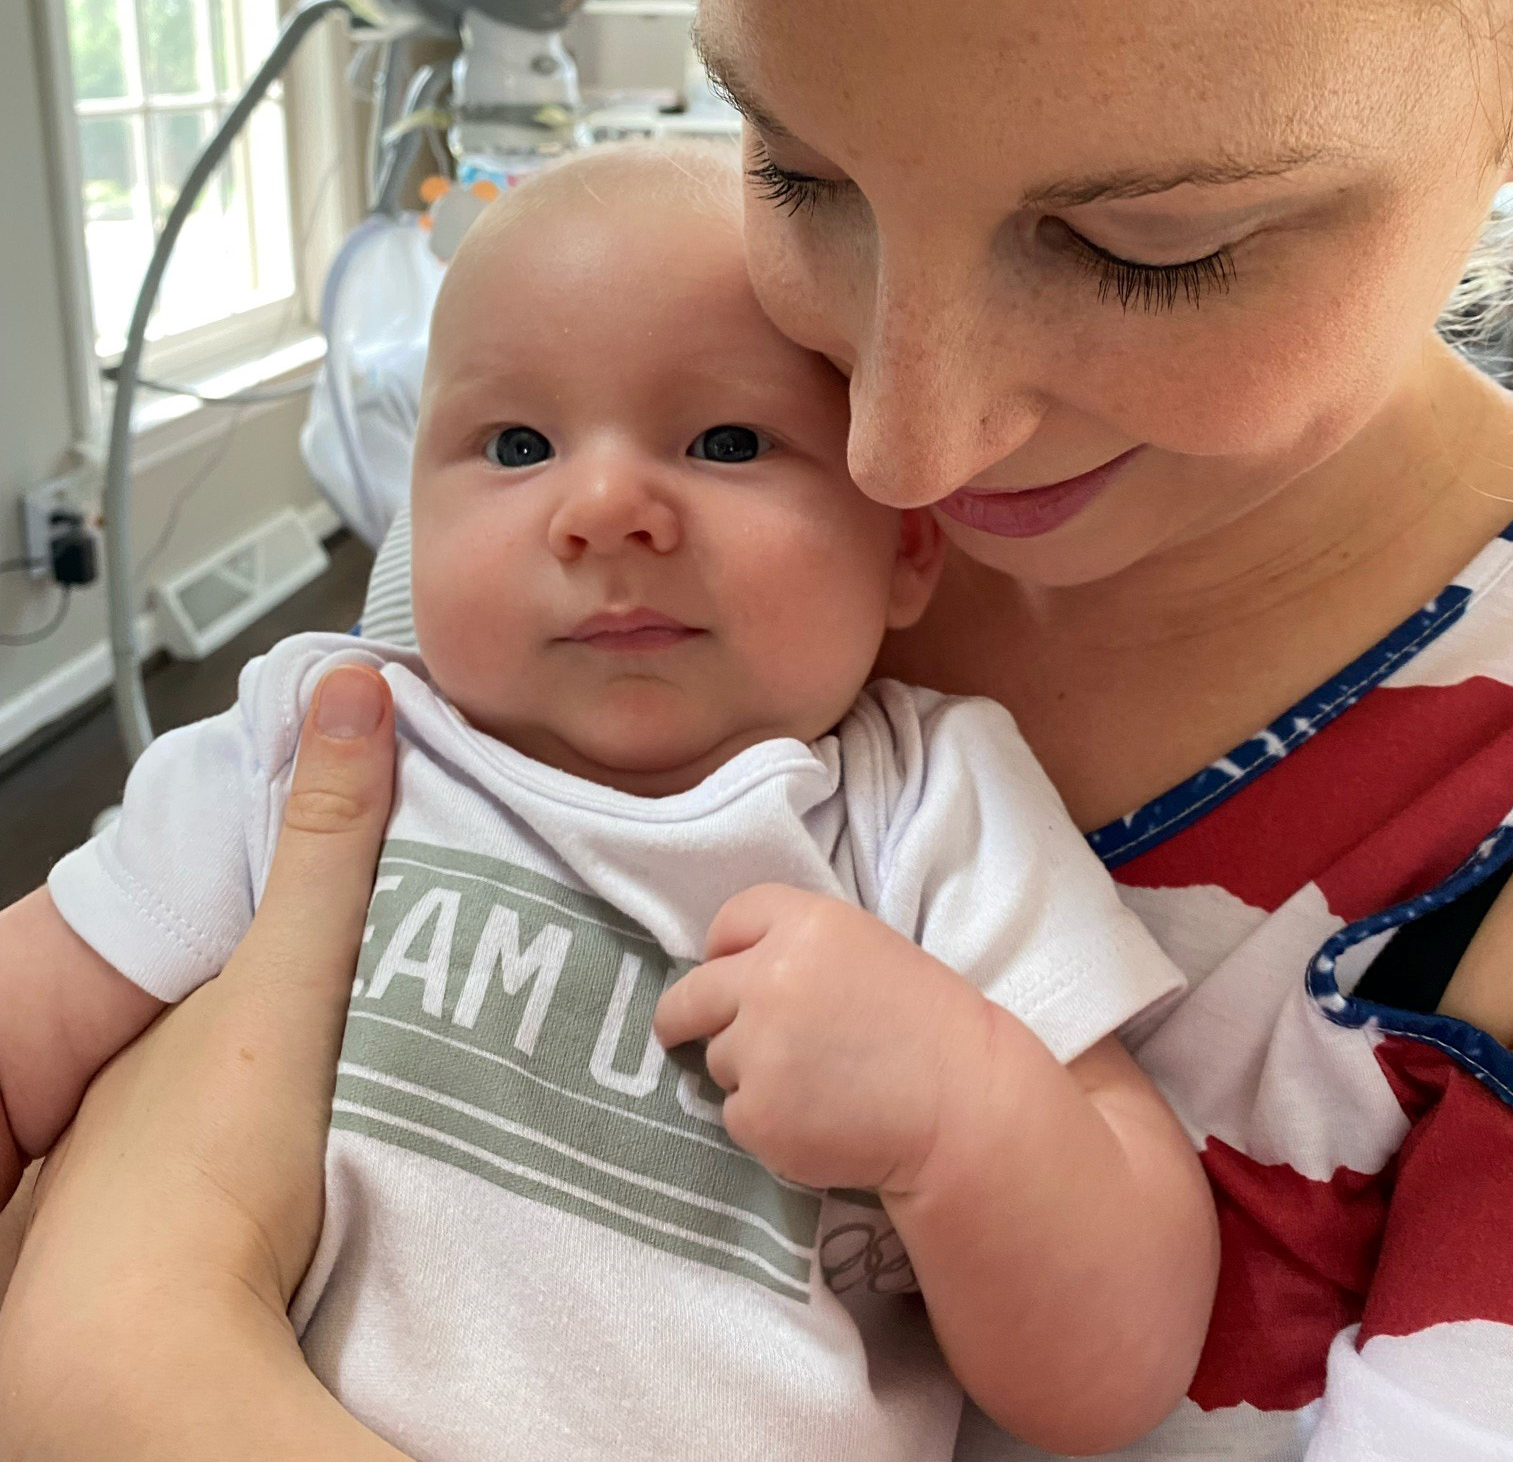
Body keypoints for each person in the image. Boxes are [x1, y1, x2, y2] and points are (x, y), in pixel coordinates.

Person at [9, 0, 1513, 1453]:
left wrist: (131, 1354)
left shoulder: (1416, 840)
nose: (903, 441)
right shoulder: (575, 491)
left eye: (1147, 245)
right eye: (797, 161)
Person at [0, 147, 1211, 1462]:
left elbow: (1122, 1365)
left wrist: (959, 1103)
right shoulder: (320, 736)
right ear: (412, 517)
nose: (605, 509)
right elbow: (29, 1016)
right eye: (517, 444)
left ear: (907, 545)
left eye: (729, 439)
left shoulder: (928, 806)